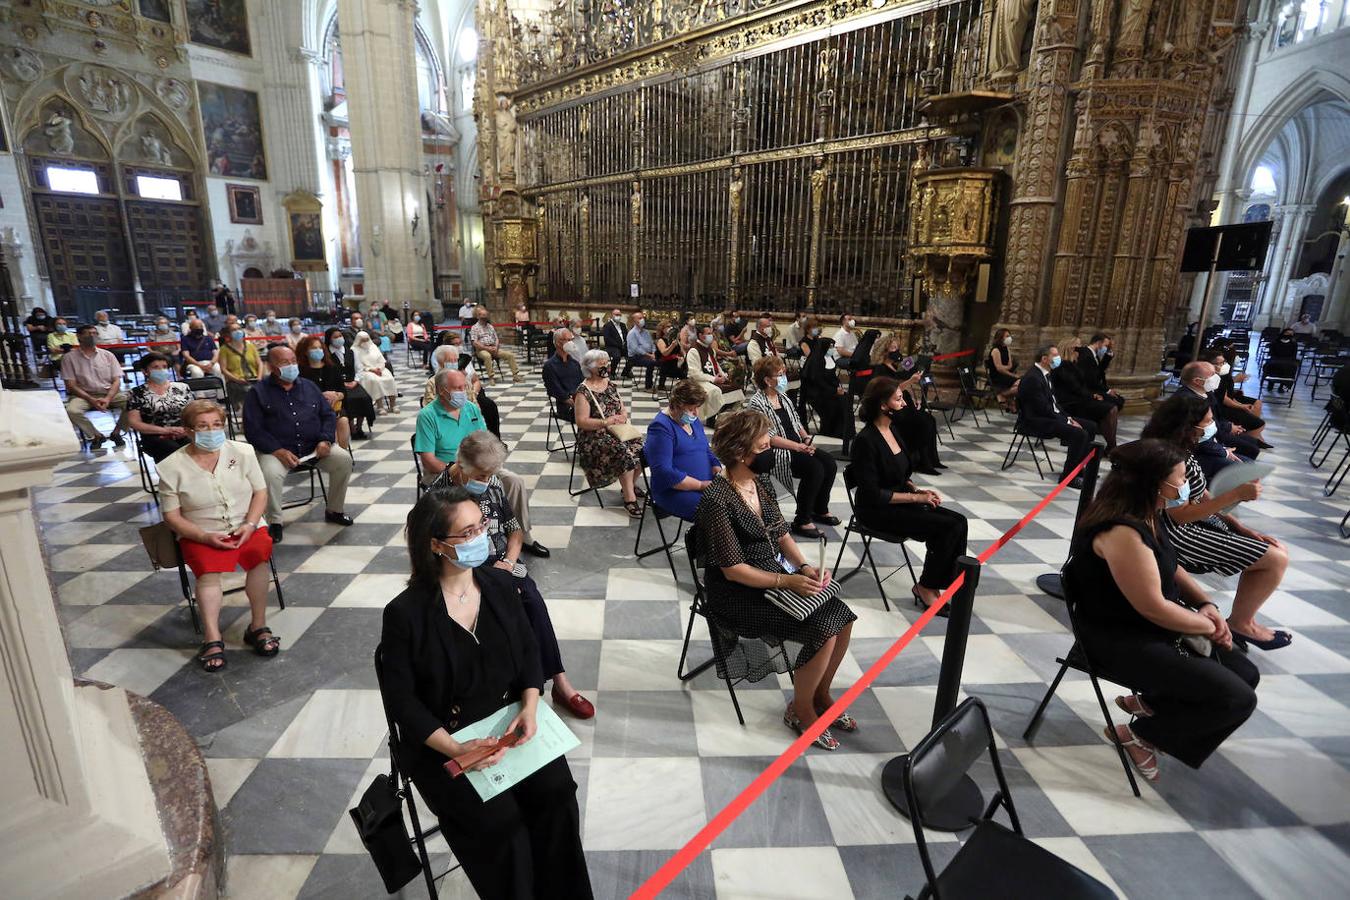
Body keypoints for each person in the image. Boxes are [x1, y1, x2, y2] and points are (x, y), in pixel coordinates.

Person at [379, 487, 592, 899]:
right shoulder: (405, 613)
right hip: (447, 741)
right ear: (436, 544)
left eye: (482, 525)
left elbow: (530, 653)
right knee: (501, 826)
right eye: (468, 532)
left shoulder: (498, 584)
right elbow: (403, 703)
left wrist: (531, 706)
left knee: (557, 797)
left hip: (511, 722)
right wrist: (457, 749)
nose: (482, 537)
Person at [1061, 439, 1259, 783]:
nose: (1185, 485)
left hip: (1147, 624)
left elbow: (1171, 566)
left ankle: (1155, 702)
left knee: (1246, 673)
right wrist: (1206, 625)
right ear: (1156, 483)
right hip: (1118, 636)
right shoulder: (1122, 531)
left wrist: (1206, 605)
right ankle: (1141, 736)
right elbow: (1153, 607)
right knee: (1236, 698)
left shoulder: (1147, 514)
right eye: (1181, 478)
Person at [697, 409, 857, 751]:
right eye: (765, 445)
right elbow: (732, 570)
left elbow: (782, 534)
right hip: (736, 594)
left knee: (842, 619)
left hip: (771, 576)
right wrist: (787, 583)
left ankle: (819, 693)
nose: (771, 450)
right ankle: (800, 709)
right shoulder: (716, 499)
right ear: (742, 453)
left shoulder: (760, 482)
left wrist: (804, 567)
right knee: (822, 629)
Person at [432, 433, 595, 719]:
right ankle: (518, 687)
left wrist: (508, 562)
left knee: (531, 598)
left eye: (491, 474)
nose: (487, 481)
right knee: (505, 605)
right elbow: (434, 548)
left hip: (501, 561)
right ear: (461, 463)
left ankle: (559, 681)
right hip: (463, 567)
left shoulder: (493, 485)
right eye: (481, 474)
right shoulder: (439, 494)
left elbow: (514, 530)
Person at [1140, 394, 1292, 651]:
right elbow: (1179, 514)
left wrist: (1240, 527)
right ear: (1188, 426)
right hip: (1175, 533)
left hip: (1194, 522)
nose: (1212, 426)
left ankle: (1246, 619)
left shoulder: (1183, 450)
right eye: (1208, 421)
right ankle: (1242, 623)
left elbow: (1200, 494)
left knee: (1276, 550)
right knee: (1275, 559)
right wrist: (1235, 495)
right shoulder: (1168, 456)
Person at [159, 399, 279, 673]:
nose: (211, 430)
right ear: (188, 430)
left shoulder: (243, 452)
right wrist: (203, 536)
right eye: (202, 426)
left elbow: (260, 493)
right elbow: (172, 516)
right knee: (208, 572)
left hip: (246, 524)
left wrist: (250, 524)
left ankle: (257, 625)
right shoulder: (171, 467)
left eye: (216, 425)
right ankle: (212, 637)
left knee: (258, 558)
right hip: (202, 531)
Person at [852, 378, 969, 612]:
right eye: (898, 399)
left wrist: (917, 490)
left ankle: (938, 584)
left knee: (959, 522)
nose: (904, 403)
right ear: (883, 406)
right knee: (946, 527)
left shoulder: (893, 430)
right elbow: (874, 494)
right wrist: (917, 499)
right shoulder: (865, 441)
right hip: (876, 510)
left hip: (899, 501)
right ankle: (927, 587)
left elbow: (899, 473)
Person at [416, 368, 549, 557]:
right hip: (444, 469)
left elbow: (485, 441)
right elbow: (428, 460)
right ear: (441, 390)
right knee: (481, 488)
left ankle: (522, 534)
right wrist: (457, 471)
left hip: (477, 465)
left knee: (514, 481)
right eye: (457, 388)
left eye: (464, 386)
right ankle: (476, 539)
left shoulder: (470, 408)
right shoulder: (427, 416)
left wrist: (485, 467)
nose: (462, 392)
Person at [242, 344, 354, 543]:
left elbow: (328, 415)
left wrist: (325, 439)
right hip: (277, 451)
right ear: (271, 367)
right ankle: (274, 521)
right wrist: (277, 450)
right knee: (269, 473)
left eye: (293, 361)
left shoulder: (309, 387)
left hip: (314, 448)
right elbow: (253, 430)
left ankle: (334, 509)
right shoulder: (257, 393)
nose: (292, 366)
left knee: (344, 460)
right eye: (285, 363)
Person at [746, 356, 839, 538]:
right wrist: (797, 447)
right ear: (767, 380)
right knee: (815, 469)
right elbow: (769, 438)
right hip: (776, 450)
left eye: (783, 374)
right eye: (779, 375)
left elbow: (796, 422)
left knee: (829, 463)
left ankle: (819, 509)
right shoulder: (757, 403)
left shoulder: (783, 397)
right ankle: (802, 520)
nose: (784, 378)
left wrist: (806, 440)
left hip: (797, 445)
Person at [574, 350, 644, 516]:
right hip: (594, 436)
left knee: (644, 449)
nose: (606, 366)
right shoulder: (583, 391)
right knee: (623, 453)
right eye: (601, 364)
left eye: (607, 363)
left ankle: (629, 484)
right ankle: (629, 497)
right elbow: (582, 421)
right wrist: (605, 422)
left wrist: (622, 416)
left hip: (617, 430)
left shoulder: (610, 384)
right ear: (590, 367)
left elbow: (622, 409)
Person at [1016, 344, 1096, 487]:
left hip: (1049, 415)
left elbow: (1054, 403)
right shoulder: (1033, 377)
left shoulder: (1046, 374)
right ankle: (1068, 477)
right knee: (1080, 434)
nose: (1058, 357)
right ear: (1045, 359)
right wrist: (1067, 421)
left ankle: (1078, 469)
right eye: (1055, 355)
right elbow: (1042, 409)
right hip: (1035, 420)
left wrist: (1069, 418)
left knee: (1090, 426)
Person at [646, 380, 721, 521]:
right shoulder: (661, 427)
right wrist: (700, 485)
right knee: (717, 514)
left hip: (705, 484)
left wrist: (716, 466)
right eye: (691, 409)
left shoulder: (692, 420)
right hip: (674, 491)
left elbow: (706, 449)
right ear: (676, 406)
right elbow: (664, 472)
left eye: (697, 408)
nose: (696, 413)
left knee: (738, 503)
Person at [872, 337, 943, 473]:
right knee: (922, 422)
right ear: (884, 351)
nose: (897, 351)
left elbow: (902, 386)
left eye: (897, 348)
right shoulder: (880, 369)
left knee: (930, 419)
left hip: (904, 403)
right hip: (892, 407)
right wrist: (911, 381)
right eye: (893, 348)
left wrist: (915, 397)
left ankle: (932, 459)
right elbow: (891, 389)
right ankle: (923, 463)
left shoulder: (895, 366)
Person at [1179, 361, 1262, 460]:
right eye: (1212, 375)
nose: (1216, 376)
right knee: (1250, 452)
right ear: (1197, 381)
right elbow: (1197, 436)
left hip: (1216, 436)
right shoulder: (1188, 401)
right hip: (1201, 448)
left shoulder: (1207, 392)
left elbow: (1216, 417)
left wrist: (1228, 426)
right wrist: (1224, 451)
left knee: (1253, 444)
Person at [62, 324, 128, 446]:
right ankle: (96, 435)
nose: (92, 336)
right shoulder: (69, 358)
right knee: (72, 411)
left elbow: (116, 380)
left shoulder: (107, 355)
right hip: (83, 395)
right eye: (88, 333)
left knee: (135, 404)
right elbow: (71, 385)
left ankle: (117, 432)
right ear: (79, 336)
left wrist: (108, 398)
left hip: (109, 393)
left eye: (94, 333)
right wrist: (91, 399)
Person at [1053, 335, 1120, 450]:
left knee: (1111, 408)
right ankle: (1112, 447)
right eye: (1079, 347)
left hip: (1078, 399)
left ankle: (1111, 446)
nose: (1081, 350)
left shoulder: (1073, 363)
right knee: (1109, 409)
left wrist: (1092, 395)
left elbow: (1082, 385)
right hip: (1070, 403)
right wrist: (1091, 396)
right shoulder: (1063, 366)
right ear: (1071, 348)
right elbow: (1074, 387)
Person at [126, 352, 193, 461]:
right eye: (156, 367)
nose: (161, 370)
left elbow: (194, 413)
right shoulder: (136, 393)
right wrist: (167, 431)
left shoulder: (182, 387)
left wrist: (187, 430)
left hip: (184, 431)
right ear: (145, 371)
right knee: (172, 450)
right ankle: (171, 477)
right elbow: (135, 423)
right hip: (155, 435)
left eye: (164, 367)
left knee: (198, 445)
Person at [797, 335, 854, 450]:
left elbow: (832, 378)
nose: (832, 349)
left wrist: (838, 388)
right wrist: (834, 390)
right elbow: (817, 381)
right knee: (835, 402)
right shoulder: (816, 361)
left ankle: (845, 431)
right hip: (816, 393)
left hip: (828, 390)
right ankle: (832, 431)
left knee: (846, 398)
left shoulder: (829, 358)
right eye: (830, 347)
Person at [297, 335, 353, 450]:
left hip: (335, 406)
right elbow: (299, 395)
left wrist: (337, 395)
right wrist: (321, 397)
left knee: (342, 420)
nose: (318, 351)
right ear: (305, 352)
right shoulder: (300, 371)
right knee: (329, 422)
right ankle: (332, 453)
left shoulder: (332, 368)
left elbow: (343, 391)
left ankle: (342, 454)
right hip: (312, 409)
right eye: (313, 348)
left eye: (320, 348)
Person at [1203, 349, 1269, 445]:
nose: (1222, 366)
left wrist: (1239, 402)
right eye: (1219, 363)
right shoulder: (1211, 379)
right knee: (1258, 425)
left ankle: (1251, 437)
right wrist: (1241, 406)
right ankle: (1250, 438)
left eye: (1223, 363)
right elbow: (1222, 398)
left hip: (1221, 409)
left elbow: (1225, 392)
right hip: (1221, 410)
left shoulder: (1223, 375)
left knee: (1256, 408)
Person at [324, 327, 377, 438]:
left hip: (353, 382)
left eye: (340, 336)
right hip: (337, 386)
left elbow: (359, 368)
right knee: (349, 400)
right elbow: (328, 373)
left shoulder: (350, 351)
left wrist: (355, 381)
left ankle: (359, 427)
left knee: (364, 398)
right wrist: (341, 384)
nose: (339, 339)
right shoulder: (326, 354)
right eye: (335, 337)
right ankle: (351, 429)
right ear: (329, 339)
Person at [685, 325, 729, 422]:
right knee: (715, 391)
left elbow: (715, 364)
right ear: (700, 335)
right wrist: (713, 379)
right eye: (708, 334)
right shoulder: (694, 350)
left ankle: (724, 416)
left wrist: (723, 374)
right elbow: (694, 373)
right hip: (698, 381)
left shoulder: (710, 349)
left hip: (712, 378)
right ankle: (710, 418)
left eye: (711, 333)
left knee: (736, 389)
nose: (711, 336)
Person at [1076, 333, 1126, 412]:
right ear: (1098, 343)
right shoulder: (1086, 355)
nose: (1106, 348)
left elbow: (1099, 371)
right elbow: (1090, 379)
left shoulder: (1094, 355)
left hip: (1095, 387)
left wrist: (1109, 353)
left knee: (1119, 399)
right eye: (1106, 346)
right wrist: (1108, 391)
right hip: (1089, 389)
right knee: (1117, 401)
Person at [543, 329, 584, 422]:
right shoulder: (550, 366)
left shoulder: (575, 363)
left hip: (581, 400)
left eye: (571, 340)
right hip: (566, 407)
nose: (571, 343)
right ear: (558, 342)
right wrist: (577, 404)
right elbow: (556, 391)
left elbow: (583, 384)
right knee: (595, 415)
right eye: (567, 340)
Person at [471, 308, 521, 383]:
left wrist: (496, 347)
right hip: (481, 349)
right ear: (478, 316)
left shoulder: (490, 326)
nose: (485, 317)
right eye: (483, 315)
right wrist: (487, 348)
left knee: (509, 355)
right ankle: (491, 377)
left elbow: (496, 338)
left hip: (493, 348)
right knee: (487, 356)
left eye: (486, 315)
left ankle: (515, 375)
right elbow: (475, 343)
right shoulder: (475, 328)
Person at [352, 331, 398, 413]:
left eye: (367, 339)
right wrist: (371, 370)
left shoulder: (373, 346)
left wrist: (380, 368)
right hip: (366, 371)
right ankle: (380, 406)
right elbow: (358, 366)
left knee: (389, 378)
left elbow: (381, 360)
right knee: (375, 380)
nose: (365, 342)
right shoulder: (354, 350)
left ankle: (393, 404)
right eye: (363, 340)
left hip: (379, 369)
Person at [218, 325, 262, 408]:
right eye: (234, 330)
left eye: (239, 329)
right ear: (229, 334)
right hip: (235, 381)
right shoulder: (224, 349)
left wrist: (259, 377)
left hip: (254, 378)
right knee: (248, 390)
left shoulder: (251, 346)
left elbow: (259, 363)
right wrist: (237, 380)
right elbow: (223, 369)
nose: (237, 331)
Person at [624, 311, 658, 389]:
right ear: (634, 321)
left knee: (662, 360)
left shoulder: (646, 332)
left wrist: (654, 353)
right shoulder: (632, 333)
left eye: (643, 318)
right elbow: (635, 349)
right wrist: (649, 355)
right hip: (635, 357)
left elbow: (652, 344)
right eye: (640, 318)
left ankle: (661, 385)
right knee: (651, 363)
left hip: (648, 354)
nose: (642, 319)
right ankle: (648, 386)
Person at [987, 328, 1019, 408]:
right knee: (1019, 383)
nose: (1009, 338)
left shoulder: (1006, 349)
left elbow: (1010, 365)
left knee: (1022, 384)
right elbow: (999, 368)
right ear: (1001, 338)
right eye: (1007, 336)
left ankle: (1005, 396)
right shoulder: (995, 350)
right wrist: (1012, 375)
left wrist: (1005, 368)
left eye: (1009, 335)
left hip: (1005, 374)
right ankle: (1002, 395)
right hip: (997, 376)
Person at [1262, 327, 1299, 392]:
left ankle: (1282, 386)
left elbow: (1294, 355)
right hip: (1275, 358)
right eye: (1287, 333)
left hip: (1288, 360)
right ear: (1283, 333)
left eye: (1291, 334)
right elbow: (1271, 353)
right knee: (1272, 365)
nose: (1288, 335)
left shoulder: (1294, 343)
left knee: (1292, 367)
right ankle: (1271, 383)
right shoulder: (1275, 341)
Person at [602, 307, 628, 371]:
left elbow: (627, 336)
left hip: (623, 346)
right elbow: (607, 339)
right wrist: (619, 345)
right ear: (612, 315)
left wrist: (625, 344)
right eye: (616, 315)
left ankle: (625, 372)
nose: (618, 316)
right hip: (612, 347)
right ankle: (612, 372)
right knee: (617, 357)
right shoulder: (607, 325)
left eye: (619, 315)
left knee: (633, 356)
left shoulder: (623, 325)